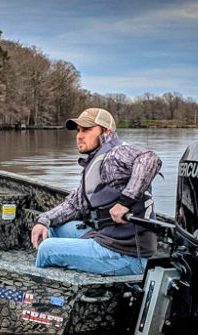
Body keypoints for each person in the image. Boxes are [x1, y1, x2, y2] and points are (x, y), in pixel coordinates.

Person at [31, 107, 162, 276]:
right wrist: (44, 220)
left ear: (106, 131)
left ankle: (39, 297)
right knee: (52, 230)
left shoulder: (115, 154)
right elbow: (74, 205)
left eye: (87, 129)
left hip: (128, 255)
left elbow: (149, 159)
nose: (79, 135)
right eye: (78, 130)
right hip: (109, 238)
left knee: (46, 249)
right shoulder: (98, 160)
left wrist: (125, 202)